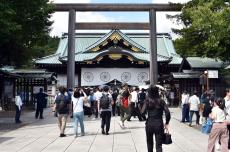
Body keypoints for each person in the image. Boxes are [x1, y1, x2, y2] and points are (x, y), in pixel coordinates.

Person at [141, 85, 171, 152]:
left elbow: (142, 112)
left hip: (149, 123)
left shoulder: (147, 101)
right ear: (157, 91)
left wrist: (146, 118)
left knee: (149, 143)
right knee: (159, 145)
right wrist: (167, 123)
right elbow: (168, 113)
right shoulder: (161, 101)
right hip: (159, 123)